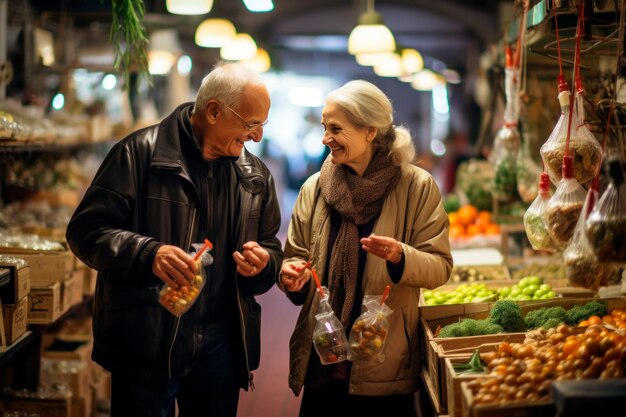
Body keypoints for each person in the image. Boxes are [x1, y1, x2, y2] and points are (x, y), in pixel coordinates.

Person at [65, 61, 283, 417]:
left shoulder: (254, 176)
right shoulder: (138, 155)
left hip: (222, 348)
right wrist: (148, 254)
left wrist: (264, 263)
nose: (257, 136)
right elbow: (85, 231)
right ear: (214, 111)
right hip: (147, 343)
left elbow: (272, 247)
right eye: (250, 124)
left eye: (262, 125)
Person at [278, 79, 453, 417]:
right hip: (323, 357)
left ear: (370, 132)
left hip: (382, 362)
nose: (325, 138)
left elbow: (440, 266)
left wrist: (402, 256)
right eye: (324, 127)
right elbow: (295, 257)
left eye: (335, 128)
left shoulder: (416, 187)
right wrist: (291, 276)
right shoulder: (315, 188)